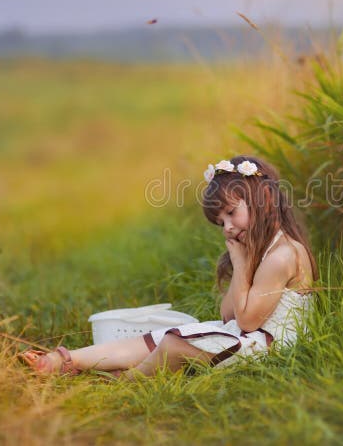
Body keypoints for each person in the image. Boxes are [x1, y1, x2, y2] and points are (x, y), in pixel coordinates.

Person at [19, 155, 317, 377]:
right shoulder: (259, 250)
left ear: (264, 197)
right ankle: (67, 359)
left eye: (231, 213)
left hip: (271, 349)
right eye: (220, 222)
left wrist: (241, 265)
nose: (227, 227)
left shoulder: (282, 255)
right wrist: (245, 262)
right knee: (167, 334)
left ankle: (121, 381)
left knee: (174, 344)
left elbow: (248, 322)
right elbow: (229, 315)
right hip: (246, 337)